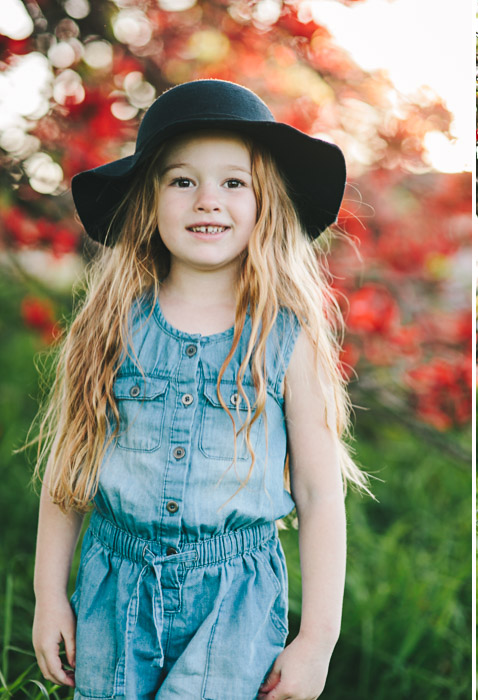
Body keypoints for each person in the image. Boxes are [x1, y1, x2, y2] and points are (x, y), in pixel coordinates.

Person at [30, 79, 369, 699]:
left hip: (233, 602)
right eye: (182, 181)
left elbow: (320, 494)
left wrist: (317, 638)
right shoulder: (109, 326)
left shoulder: (286, 337)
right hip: (114, 591)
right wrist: (49, 597)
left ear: (264, 203)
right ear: (149, 200)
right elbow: (68, 474)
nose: (207, 200)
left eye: (233, 183)